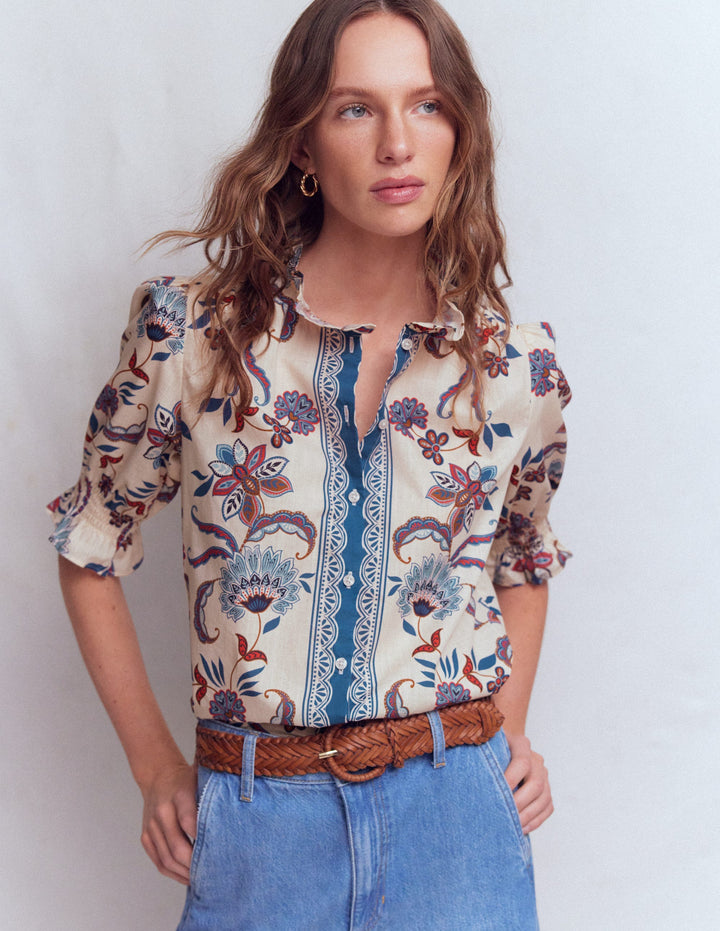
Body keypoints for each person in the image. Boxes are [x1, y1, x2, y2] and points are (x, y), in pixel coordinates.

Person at [48, 1, 571, 927]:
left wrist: (513, 733)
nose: (398, 143)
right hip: (262, 828)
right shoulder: (194, 338)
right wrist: (155, 766)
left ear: (460, 133)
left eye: (428, 105)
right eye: (355, 109)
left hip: (458, 821)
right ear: (302, 143)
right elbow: (94, 541)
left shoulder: (512, 367)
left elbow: (523, 558)